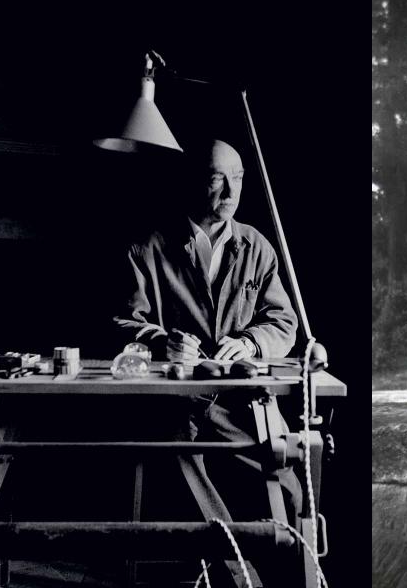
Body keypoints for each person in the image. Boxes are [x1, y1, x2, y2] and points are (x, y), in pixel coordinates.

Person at [113, 138, 302, 528]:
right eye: (218, 179)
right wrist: (161, 342)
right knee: (185, 476)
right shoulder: (148, 247)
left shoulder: (257, 247)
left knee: (289, 486)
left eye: (238, 178)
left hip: (242, 400)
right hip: (175, 399)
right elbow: (122, 323)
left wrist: (250, 341)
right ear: (192, 181)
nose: (232, 192)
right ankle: (235, 570)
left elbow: (284, 322)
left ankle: (271, 563)